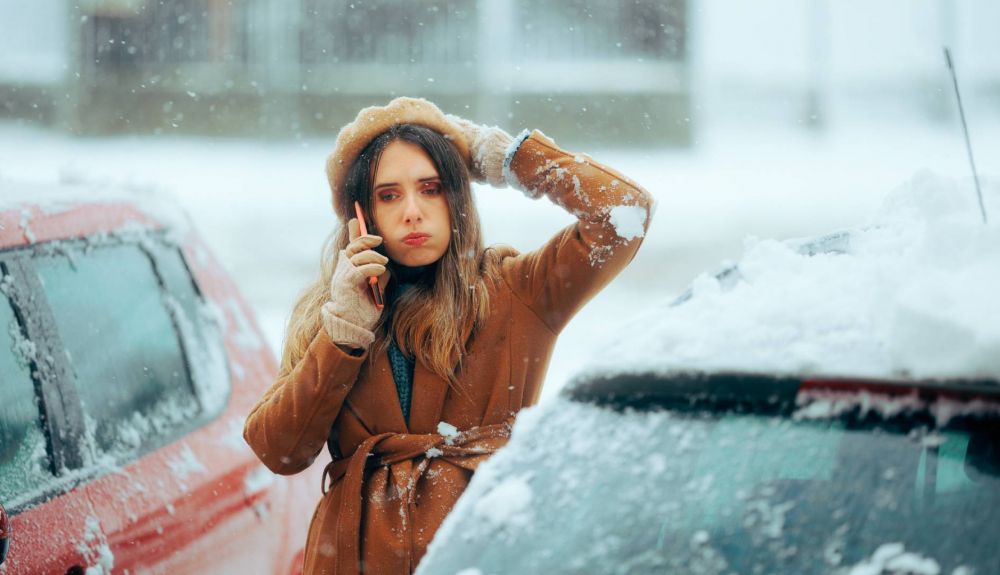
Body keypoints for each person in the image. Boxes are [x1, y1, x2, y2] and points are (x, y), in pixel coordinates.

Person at [243, 96, 653, 574]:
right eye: (389, 195)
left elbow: (625, 211)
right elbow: (280, 451)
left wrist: (505, 157)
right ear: (362, 215)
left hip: (486, 550)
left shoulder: (515, 290)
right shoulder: (330, 313)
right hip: (355, 558)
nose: (412, 212)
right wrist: (343, 333)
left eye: (431, 188)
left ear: (456, 197)